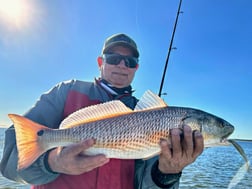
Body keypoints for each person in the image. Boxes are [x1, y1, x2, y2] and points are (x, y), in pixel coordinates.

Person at [0, 33, 204, 189]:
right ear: (101, 62)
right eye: (114, 58)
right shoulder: (67, 91)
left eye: (130, 62)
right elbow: (11, 161)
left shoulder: (151, 116)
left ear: (136, 68)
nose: (122, 65)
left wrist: (167, 174)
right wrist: (52, 162)